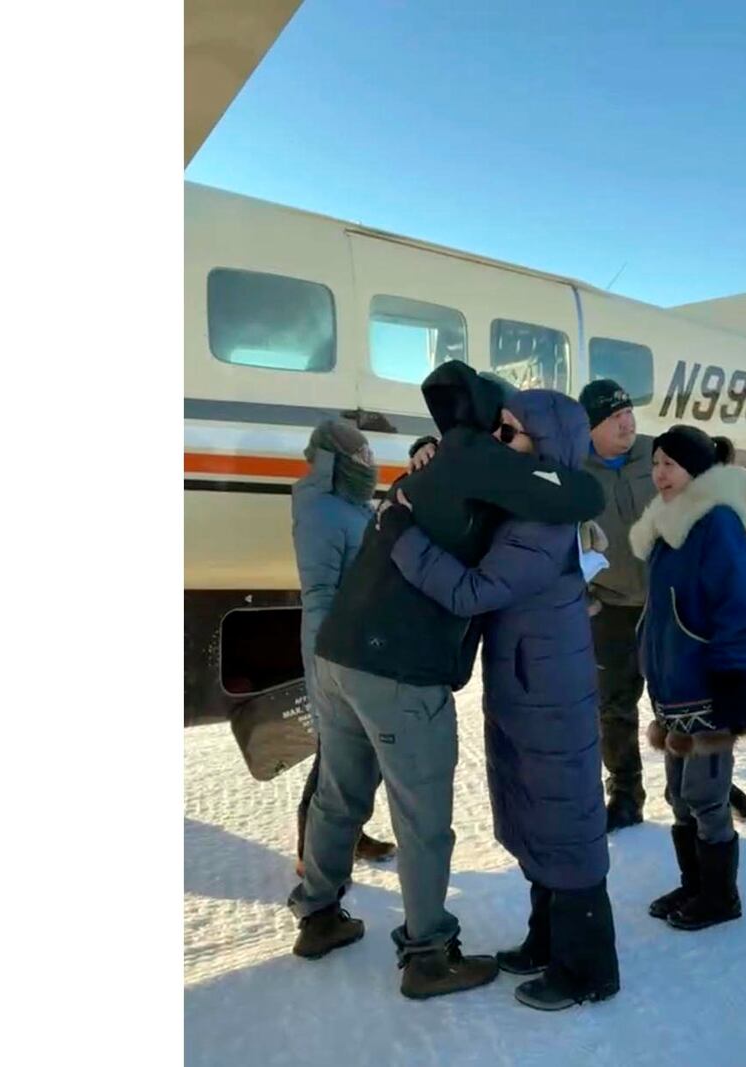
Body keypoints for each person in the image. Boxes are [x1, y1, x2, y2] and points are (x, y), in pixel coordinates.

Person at [288, 360, 604, 1001]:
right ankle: (429, 954)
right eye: (505, 425)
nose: (506, 436)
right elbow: (581, 496)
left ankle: (318, 916)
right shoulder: (486, 461)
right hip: (397, 665)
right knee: (421, 817)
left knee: (339, 794)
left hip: (341, 649)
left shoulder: (437, 461)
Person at [390, 388, 620, 1011]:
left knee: (563, 821)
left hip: (547, 691)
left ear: (544, 445)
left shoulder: (542, 523)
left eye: (511, 433)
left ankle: (589, 969)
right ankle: (547, 940)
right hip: (529, 685)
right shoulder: (530, 506)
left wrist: (403, 536)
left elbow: (471, 592)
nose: (500, 441)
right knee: (536, 813)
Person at [629, 425, 746, 931]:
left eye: (670, 464)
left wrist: (731, 675)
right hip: (676, 689)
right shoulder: (669, 524)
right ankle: (695, 884)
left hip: (709, 686)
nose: (659, 474)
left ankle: (721, 897)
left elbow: (742, 600)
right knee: (679, 797)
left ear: (696, 471)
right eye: (656, 463)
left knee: (706, 797)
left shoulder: (715, 523)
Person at [576, 379, 746, 830]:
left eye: (628, 412)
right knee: (614, 708)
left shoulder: (658, 454)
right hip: (613, 608)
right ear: (591, 426)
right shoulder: (572, 466)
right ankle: (624, 793)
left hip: (671, 607)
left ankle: (706, 786)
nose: (627, 421)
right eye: (614, 416)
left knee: (684, 701)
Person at [290, 420, 396, 877]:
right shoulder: (321, 511)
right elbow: (320, 594)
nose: (367, 466)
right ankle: (309, 851)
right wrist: (329, 656)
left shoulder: (347, 504)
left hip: (361, 641)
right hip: (337, 646)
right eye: (359, 459)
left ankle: (348, 834)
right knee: (335, 752)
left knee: (353, 750)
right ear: (334, 462)